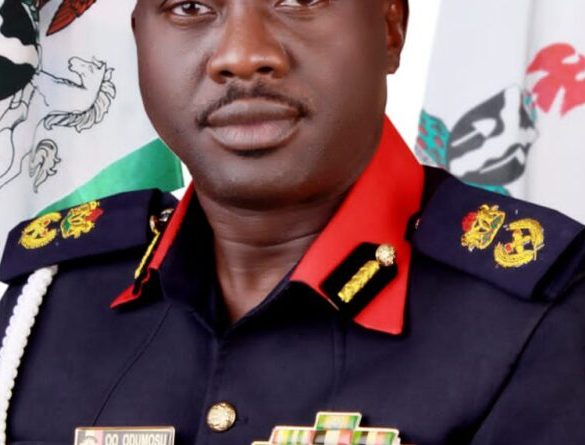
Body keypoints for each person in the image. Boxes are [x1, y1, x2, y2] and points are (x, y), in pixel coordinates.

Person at [0, 1, 584, 444]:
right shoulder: (49, 300)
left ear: (390, 28)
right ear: (139, 42)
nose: (240, 54)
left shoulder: (546, 317)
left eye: (298, 0)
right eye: (190, 6)